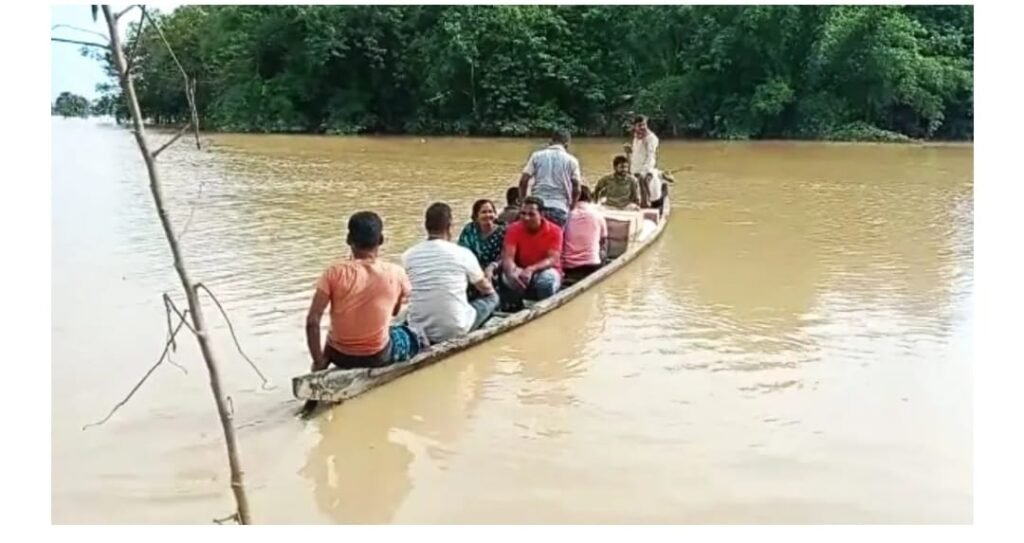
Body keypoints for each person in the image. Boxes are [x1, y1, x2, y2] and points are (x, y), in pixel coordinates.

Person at [305, 211, 423, 372]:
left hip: (337, 355)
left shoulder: (333, 272)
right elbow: (395, 312)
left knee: (333, 337)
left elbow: (313, 321)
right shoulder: (396, 273)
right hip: (377, 355)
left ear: (348, 240)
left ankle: (321, 367)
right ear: (380, 240)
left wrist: (318, 360)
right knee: (413, 336)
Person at [404, 203, 500, 344]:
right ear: (450, 226)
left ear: (426, 226)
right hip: (455, 329)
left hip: (419, 329)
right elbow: (485, 288)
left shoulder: (408, 255)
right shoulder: (461, 253)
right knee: (492, 298)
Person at [500, 196, 563, 309]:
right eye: (523, 213)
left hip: (545, 270)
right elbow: (508, 257)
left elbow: (552, 259)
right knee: (506, 277)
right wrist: (511, 273)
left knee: (546, 281)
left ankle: (546, 308)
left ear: (542, 214)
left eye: (531, 214)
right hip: (522, 270)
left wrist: (531, 269)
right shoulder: (513, 228)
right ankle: (516, 308)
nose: (526, 218)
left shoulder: (555, 230)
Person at [517, 129, 582, 228]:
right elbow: (577, 187)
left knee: (534, 242)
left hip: (537, 208)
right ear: (566, 145)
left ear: (550, 142)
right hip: (559, 208)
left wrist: (523, 202)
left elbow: (523, 181)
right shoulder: (572, 161)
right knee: (555, 241)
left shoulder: (537, 156)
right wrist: (572, 205)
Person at [562, 185, 608, 283]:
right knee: (603, 248)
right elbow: (603, 240)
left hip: (568, 266)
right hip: (592, 265)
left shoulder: (565, 215)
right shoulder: (598, 215)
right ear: (589, 198)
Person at [457, 199, 506, 281]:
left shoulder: (503, 231)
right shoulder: (469, 229)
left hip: (496, 270)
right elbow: (462, 252)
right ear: (476, 216)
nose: (488, 215)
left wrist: (492, 267)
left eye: (490, 211)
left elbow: (507, 255)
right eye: (484, 212)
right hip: (472, 269)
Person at [630, 115, 663, 210]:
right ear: (635, 126)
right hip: (635, 169)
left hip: (646, 170)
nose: (643, 127)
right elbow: (636, 154)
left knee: (647, 192)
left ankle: (648, 205)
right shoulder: (636, 137)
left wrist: (644, 172)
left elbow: (650, 157)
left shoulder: (651, 138)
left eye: (644, 124)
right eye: (639, 125)